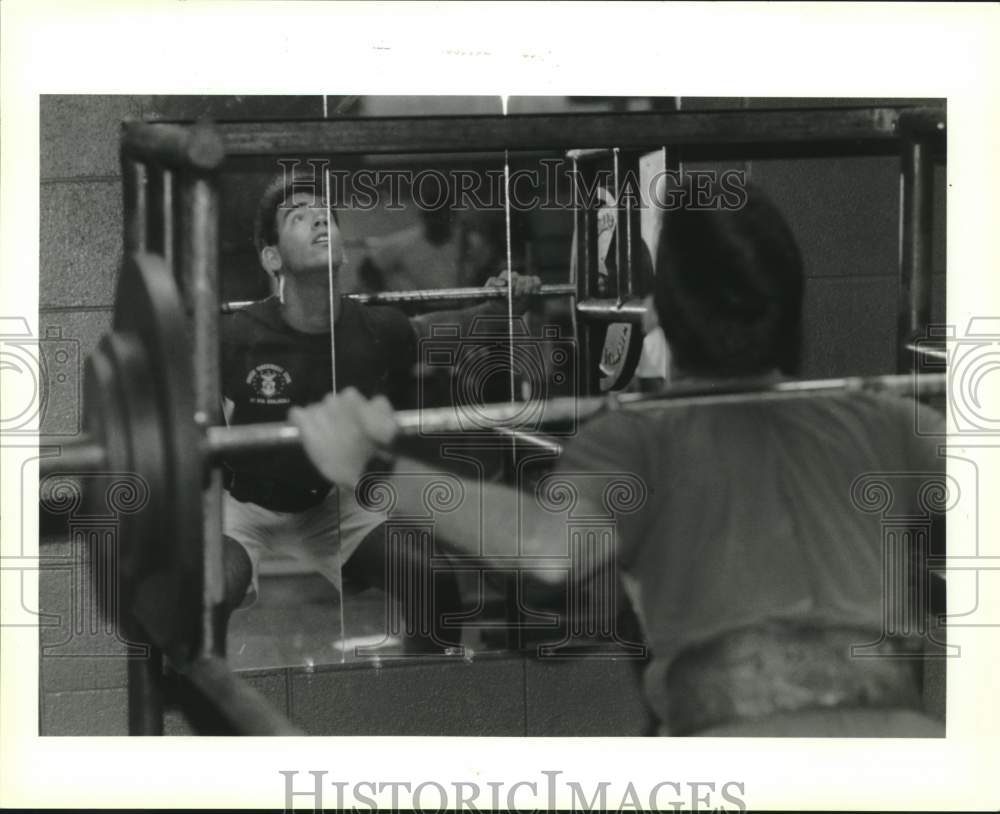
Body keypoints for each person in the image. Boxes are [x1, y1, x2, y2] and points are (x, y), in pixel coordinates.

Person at [288, 183, 947, 736]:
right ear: (790, 310)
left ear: (659, 316)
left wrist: (374, 468)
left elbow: (549, 549)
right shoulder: (885, 420)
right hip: (907, 761)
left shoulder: (637, 438)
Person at [219, 170, 541, 653]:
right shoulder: (237, 337)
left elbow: (463, 324)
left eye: (326, 216)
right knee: (205, 596)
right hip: (245, 506)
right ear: (271, 257)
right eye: (299, 218)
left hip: (330, 501)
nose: (320, 223)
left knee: (431, 579)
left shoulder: (373, 329)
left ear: (343, 249)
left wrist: (507, 297)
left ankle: (421, 705)